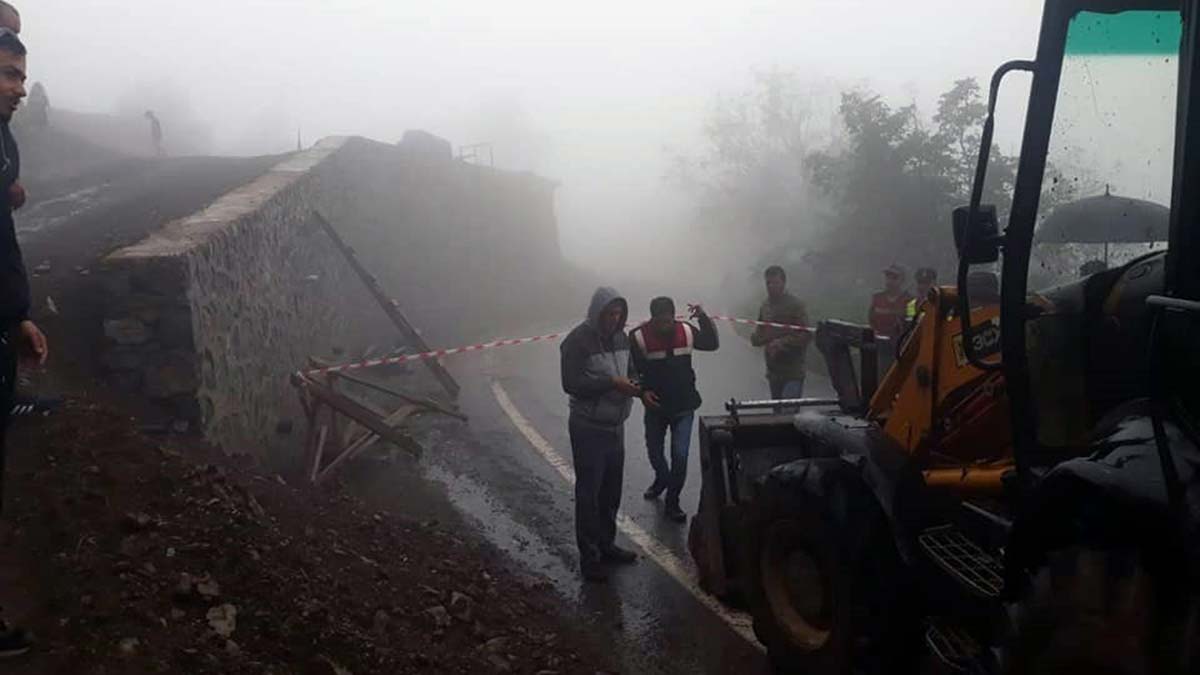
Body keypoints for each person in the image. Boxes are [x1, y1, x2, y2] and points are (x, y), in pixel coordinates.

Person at [0, 24, 46, 658]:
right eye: (10, 73)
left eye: (21, 76)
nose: (20, 88)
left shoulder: (4, 139)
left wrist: (20, 315)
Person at [560, 287, 650, 582]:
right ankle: (590, 557)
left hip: (616, 426)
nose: (614, 319)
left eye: (618, 314)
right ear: (596, 312)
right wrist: (611, 383)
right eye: (609, 313)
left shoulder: (622, 338)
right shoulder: (577, 341)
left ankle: (606, 544)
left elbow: (632, 370)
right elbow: (571, 383)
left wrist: (637, 387)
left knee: (611, 491)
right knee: (590, 493)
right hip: (588, 427)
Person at [629, 297, 718, 523]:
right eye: (659, 321)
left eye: (668, 320)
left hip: (684, 406)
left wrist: (704, 318)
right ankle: (661, 478)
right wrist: (641, 392)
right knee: (655, 452)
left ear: (673, 316)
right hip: (655, 407)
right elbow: (631, 371)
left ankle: (673, 501)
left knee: (680, 455)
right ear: (652, 319)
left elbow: (711, 343)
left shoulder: (686, 331)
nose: (664, 325)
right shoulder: (638, 337)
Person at [750, 266, 810, 400]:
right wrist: (757, 338)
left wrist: (782, 343)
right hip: (774, 371)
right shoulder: (765, 306)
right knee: (777, 415)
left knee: (788, 414)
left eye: (775, 283)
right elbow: (760, 332)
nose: (771, 286)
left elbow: (806, 334)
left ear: (783, 283)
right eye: (768, 283)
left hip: (793, 371)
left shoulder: (795, 305)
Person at [869, 264, 912, 341]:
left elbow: (911, 325)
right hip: (877, 341)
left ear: (902, 280)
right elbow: (871, 320)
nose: (890, 281)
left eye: (894, 278)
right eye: (888, 277)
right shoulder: (877, 298)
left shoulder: (909, 301)